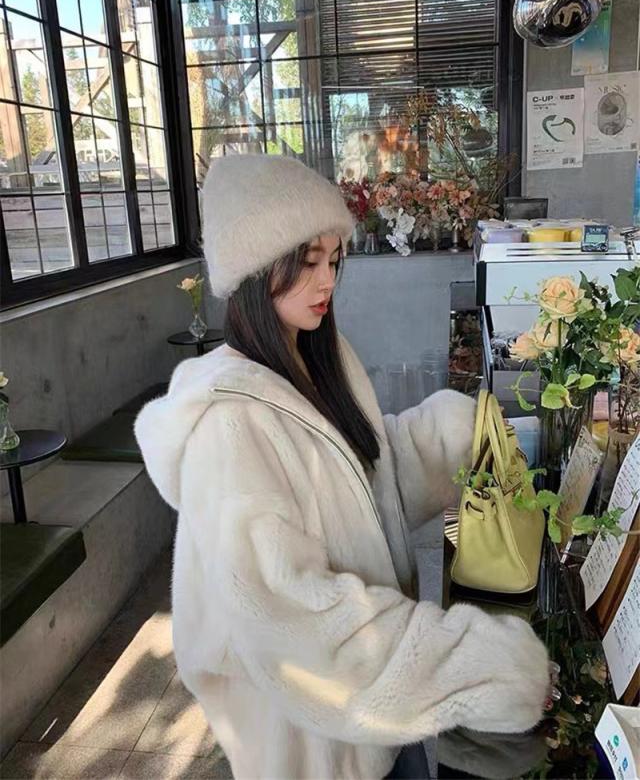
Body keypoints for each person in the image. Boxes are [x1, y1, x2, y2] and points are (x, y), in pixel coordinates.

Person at [134, 155, 550, 780]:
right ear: (254, 270)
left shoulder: (317, 356)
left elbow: (362, 485)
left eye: (334, 260)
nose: (327, 280)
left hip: (377, 715)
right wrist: (482, 669)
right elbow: (299, 626)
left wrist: (450, 434)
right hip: (316, 746)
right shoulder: (229, 426)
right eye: (308, 262)